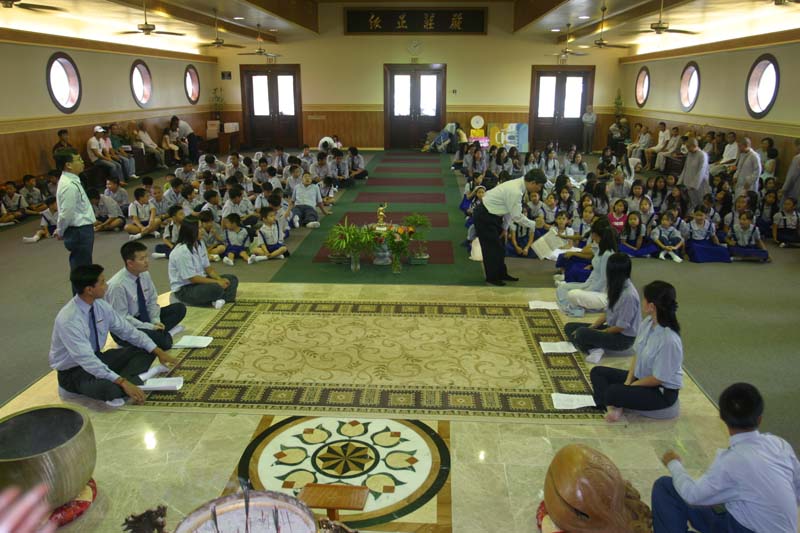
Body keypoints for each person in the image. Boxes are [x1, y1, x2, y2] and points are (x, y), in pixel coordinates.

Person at [652, 382, 800, 533]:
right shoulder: (780, 445)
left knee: (665, 487)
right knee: (721, 500)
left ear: (723, 418)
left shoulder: (731, 461)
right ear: (760, 418)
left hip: (743, 529)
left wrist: (674, 464)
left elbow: (692, 495)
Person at [50, 264, 177, 406]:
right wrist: (122, 382)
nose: (107, 286)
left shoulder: (100, 305)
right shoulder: (69, 319)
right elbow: (86, 359)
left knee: (147, 350)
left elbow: (128, 331)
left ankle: (126, 380)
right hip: (74, 372)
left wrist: (158, 351)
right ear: (89, 290)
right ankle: (127, 381)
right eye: (102, 282)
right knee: (110, 390)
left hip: (98, 357)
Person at [590, 280, 683, 422]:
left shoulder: (669, 340)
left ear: (651, 306)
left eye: (644, 299)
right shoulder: (647, 324)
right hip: (641, 377)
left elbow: (658, 379)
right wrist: (628, 381)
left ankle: (614, 403)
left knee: (613, 391)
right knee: (597, 372)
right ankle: (614, 406)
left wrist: (631, 387)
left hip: (660, 391)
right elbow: (637, 354)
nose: (642, 302)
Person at [106, 241, 187, 351]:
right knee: (165, 343)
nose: (147, 261)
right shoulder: (117, 286)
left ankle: (155, 334)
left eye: (146, 257)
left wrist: (155, 321)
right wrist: (150, 327)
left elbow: (152, 300)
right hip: (126, 327)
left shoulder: (144, 273)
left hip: (143, 317)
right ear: (130, 263)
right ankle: (157, 335)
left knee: (179, 309)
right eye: (142, 259)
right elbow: (122, 318)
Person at [474, 170, 547, 286]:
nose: (539, 189)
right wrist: (534, 224)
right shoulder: (516, 190)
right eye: (539, 186)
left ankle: (501, 273)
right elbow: (517, 216)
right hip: (485, 216)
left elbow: (509, 209)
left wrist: (505, 227)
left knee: (501, 246)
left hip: (495, 214)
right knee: (492, 248)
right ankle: (492, 277)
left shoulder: (519, 185)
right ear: (533, 182)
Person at [564, 253, 640, 364]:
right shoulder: (616, 285)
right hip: (612, 328)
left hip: (623, 339)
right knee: (570, 327)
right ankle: (594, 348)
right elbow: (607, 312)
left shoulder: (629, 295)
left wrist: (598, 332)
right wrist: (592, 327)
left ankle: (593, 348)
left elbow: (621, 327)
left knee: (581, 333)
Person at [168, 219, 238, 308]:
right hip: (185, 288)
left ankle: (219, 300)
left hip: (201, 282)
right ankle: (218, 299)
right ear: (191, 231)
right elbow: (193, 278)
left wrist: (220, 279)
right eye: (199, 228)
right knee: (216, 288)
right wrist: (217, 282)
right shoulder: (181, 251)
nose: (202, 230)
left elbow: (208, 268)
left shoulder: (200, 243)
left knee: (232, 279)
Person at [556, 218, 618, 316]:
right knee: (562, 288)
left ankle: (576, 308)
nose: (592, 236)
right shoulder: (600, 249)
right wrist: (584, 287)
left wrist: (586, 291)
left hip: (601, 293)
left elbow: (603, 281)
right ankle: (572, 307)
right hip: (590, 285)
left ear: (599, 236)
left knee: (573, 294)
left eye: (593, 234)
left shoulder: (608, 254)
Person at [55, 150, 96, 291]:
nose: (82, 162)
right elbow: (66, 213)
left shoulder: (73, 180)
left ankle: (86, 297)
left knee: (84, 268)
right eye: (78, 159)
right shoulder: (68, 185)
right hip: (79, 231)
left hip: (82, 229)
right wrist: (60, 231)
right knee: (82, 270)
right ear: (68, 165)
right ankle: (81, 299)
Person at [678, 137, 710, 210]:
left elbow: (701, 171)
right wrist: (680, 181)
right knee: (692, 202)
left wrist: (694, 185)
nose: (687, 149)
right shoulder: (690, 154)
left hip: (699, 185)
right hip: (688, 182)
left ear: (694, 146)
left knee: (701, 202)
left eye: (688, 147)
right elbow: (685, 168)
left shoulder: (702, 155)